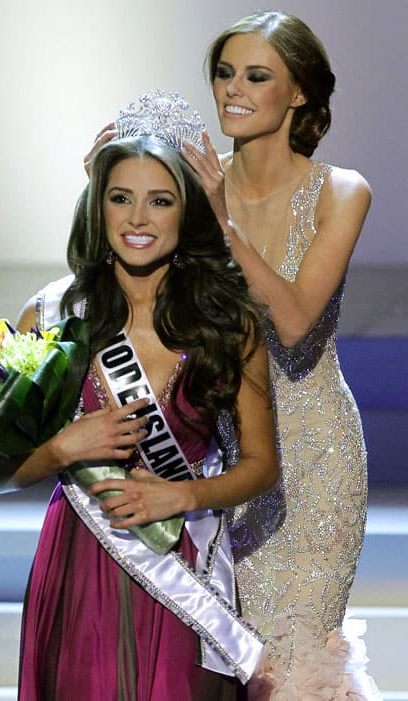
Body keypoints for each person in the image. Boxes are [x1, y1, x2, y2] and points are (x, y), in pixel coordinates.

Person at [0, 93, 279, 700]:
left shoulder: (229, 321)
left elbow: (262, 466)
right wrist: (65, 446)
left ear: (185, 212)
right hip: (79, 564)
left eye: (159, 200)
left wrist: (180, 491)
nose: (137, 219)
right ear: (99, 207)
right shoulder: (53, 315)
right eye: (120, 198)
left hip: (182, 567)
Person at [176, 10, 379, 699]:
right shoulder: (193, 184)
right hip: (222, 458)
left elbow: (294, 320)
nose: (233, 89)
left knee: (290, 674)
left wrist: (220, 222)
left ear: (298, 94)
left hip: (316, 468)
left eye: (256, 76)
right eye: (224, 73)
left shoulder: (342, 191)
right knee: (226, 672)